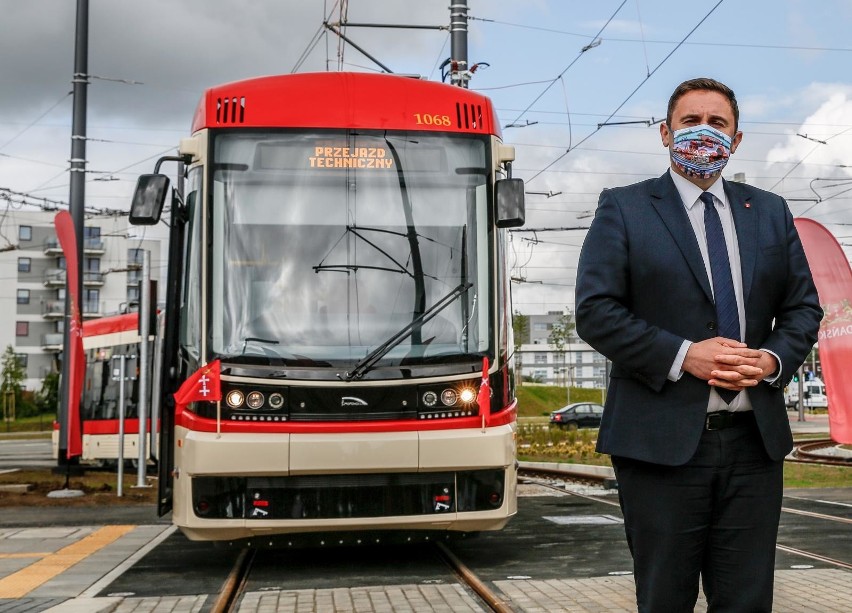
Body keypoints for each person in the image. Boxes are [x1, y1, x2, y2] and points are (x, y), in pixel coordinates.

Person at [575, 77, 822, 612]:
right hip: (659, 445)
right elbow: (595, 312)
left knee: (748, 601)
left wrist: (773, 359)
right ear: (665, 133)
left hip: (754, 444)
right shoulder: (625, 207)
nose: (704, 132)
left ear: (736, 141)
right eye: (690, 122)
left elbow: (803, 308)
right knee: (665, 599)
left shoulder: (771, 211)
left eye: (718, 124)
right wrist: (686, 354)